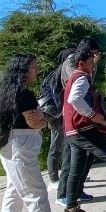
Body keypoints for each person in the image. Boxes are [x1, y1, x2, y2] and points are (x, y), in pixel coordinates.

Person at [0, 54, 73, 212]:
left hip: (12, 147)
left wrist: (39, 117)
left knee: (14, 192)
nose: (36, 71)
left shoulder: (8, 94)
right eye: (33, 67)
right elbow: (34, 121)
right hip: (21, 149)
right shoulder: (24, 94)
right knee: (35, 191)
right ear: (23, 71)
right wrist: (44, 119)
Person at [61, 44, 106, 212]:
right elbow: (74, 99)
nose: (92, 65)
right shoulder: (81, 78)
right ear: (81, 63)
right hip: (83, 129)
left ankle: (71, 208)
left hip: (72, 130)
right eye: (90, 62)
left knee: (76, 169)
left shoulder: (74, 77)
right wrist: (92, 114)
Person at [38, 47, 75, 187]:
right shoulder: (59, 73)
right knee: (56, 145)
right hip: (57, 114)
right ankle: (53, 179)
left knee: (66, 145)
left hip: (59, 113)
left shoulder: (57, 72)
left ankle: (67, 175)